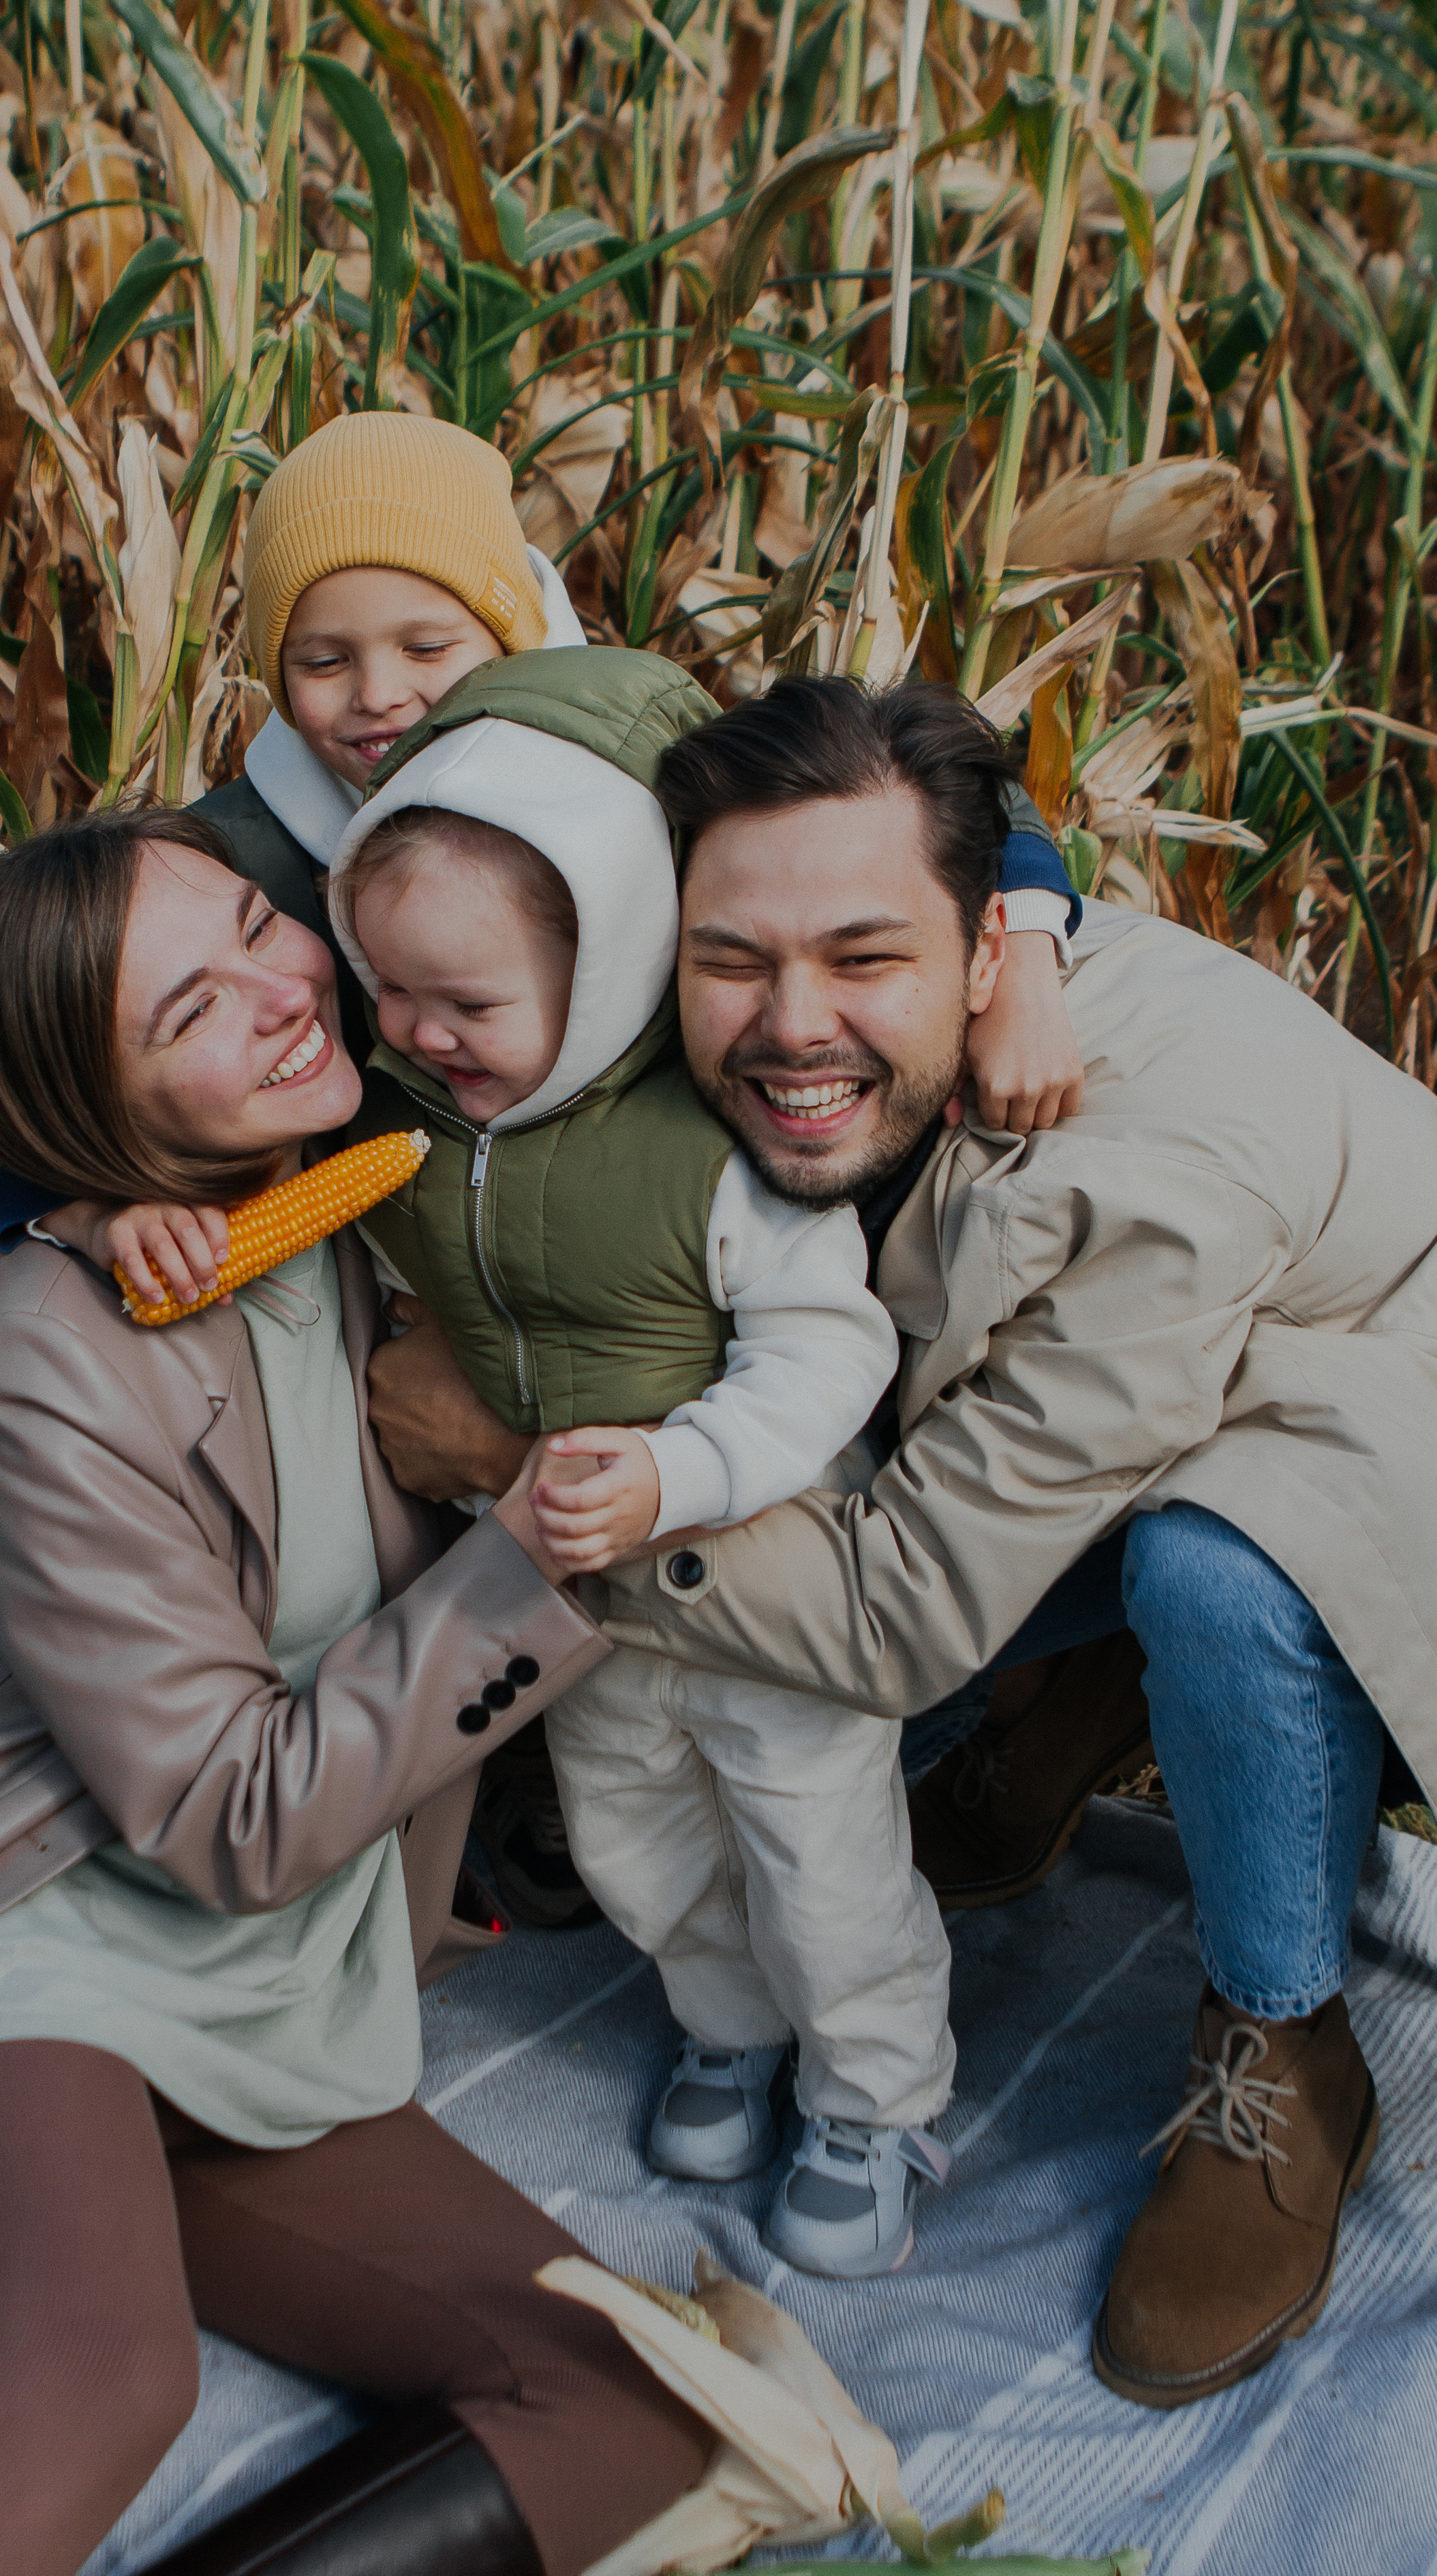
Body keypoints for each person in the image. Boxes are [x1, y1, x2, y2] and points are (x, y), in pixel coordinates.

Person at [370, 670, 1437, 2412]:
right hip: (1149, 1376)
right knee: (1005, 1447)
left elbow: (900, 1612)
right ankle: (1072, 1696)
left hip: (1381, 1409)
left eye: (867, 960)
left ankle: (1284, 2043)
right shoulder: (802, 964)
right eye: (737, 962)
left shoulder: (1138, 1181)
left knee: (1218, 1570)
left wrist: (520, 1471)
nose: (791, 1023)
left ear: (985, 955)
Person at [0, 805, 713, 2576]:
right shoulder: (52, 1348)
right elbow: (229, 1817)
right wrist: (531, 1556)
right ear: (95, 1121)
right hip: (25, 1911)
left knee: (636, 2394)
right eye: (189, 1012)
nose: (276, 989)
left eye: (259, 921)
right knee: (98, 2376)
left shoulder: (392, 1188)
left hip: (278, 1965)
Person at [0, 408, 1087, 1941]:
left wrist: (1021, 947)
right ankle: (515, 1794)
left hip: (707, 1207)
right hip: (464, 1237)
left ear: (503, 615)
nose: (375, 698)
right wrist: (87, 1207)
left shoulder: (628, 736)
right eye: (321, 660)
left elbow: (938, 793)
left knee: (803, 1526)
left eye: (425, 641)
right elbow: (47, 1047)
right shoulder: (248, 844)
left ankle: (995, 1706)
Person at [328, 645, 970, 2280]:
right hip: (574, 1588)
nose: (417, 1032)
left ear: (608, 967)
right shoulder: (404, 1130)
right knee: (633, 1835)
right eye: (390, 991)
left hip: (758, 1575)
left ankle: (872, 2092)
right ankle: (727, 2025)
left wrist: (679, 1471)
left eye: (465, 1007)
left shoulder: (701, 1148)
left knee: (817, 1851)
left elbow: (833, 1353)